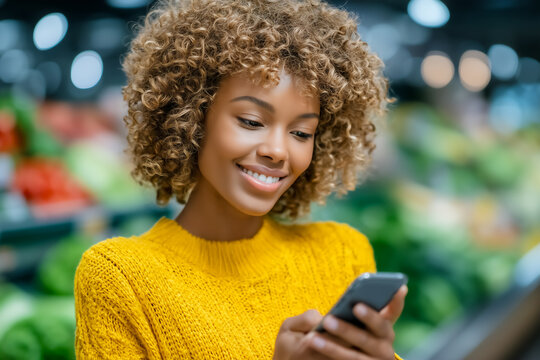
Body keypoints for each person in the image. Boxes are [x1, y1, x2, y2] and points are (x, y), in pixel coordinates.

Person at [74, 0, 408, 358]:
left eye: (301, 133)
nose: (278, 151)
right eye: (251, 121)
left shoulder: (344, 253)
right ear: (191, 117)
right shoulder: (120, 279)